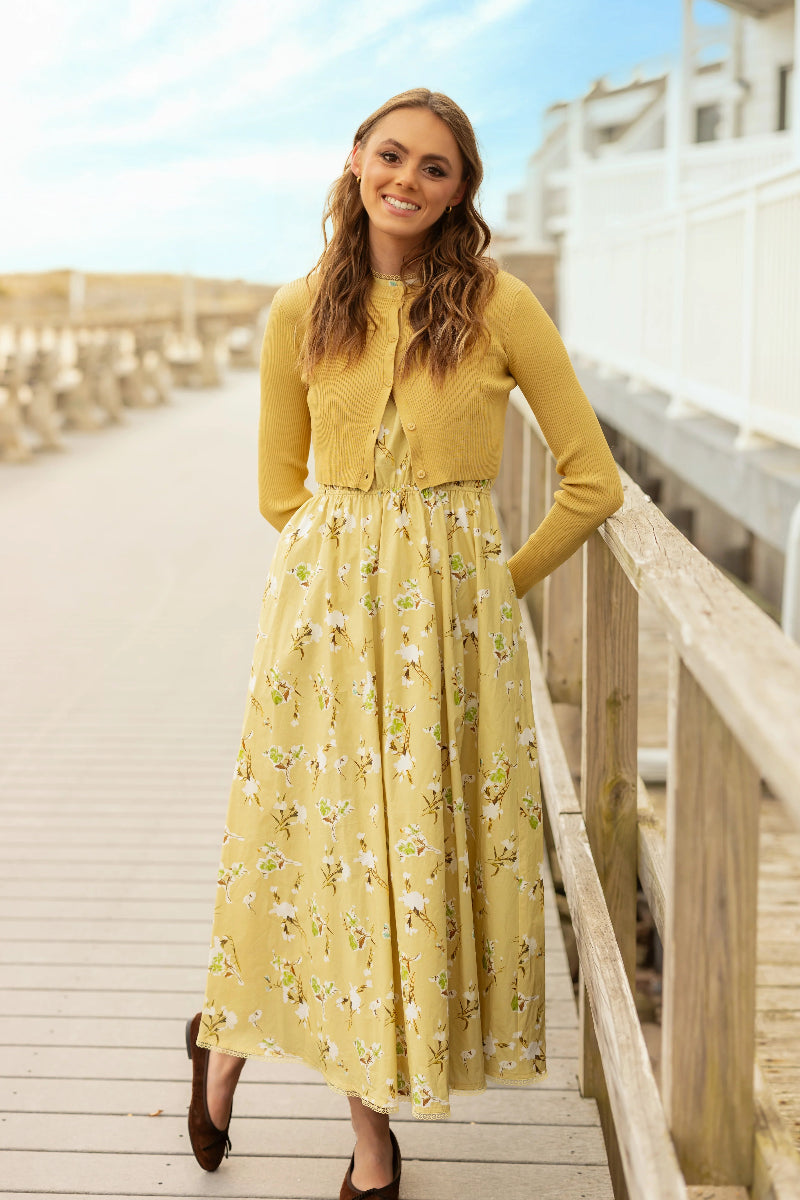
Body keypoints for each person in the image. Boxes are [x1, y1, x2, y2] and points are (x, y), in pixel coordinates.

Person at [185, 87, 623, 1200]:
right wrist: (346, 590)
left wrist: (484, 588)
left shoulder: (499, 305)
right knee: (331, 864)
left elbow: (592, 483)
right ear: (355, 160)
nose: (408, 181)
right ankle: (362, 1137)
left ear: (460, 191)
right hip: (322, 634)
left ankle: (227, 1039)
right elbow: (279, 492)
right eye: (392, 156)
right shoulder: (297, 308)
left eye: (436, 168)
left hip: (451, 651)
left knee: (402, 868)